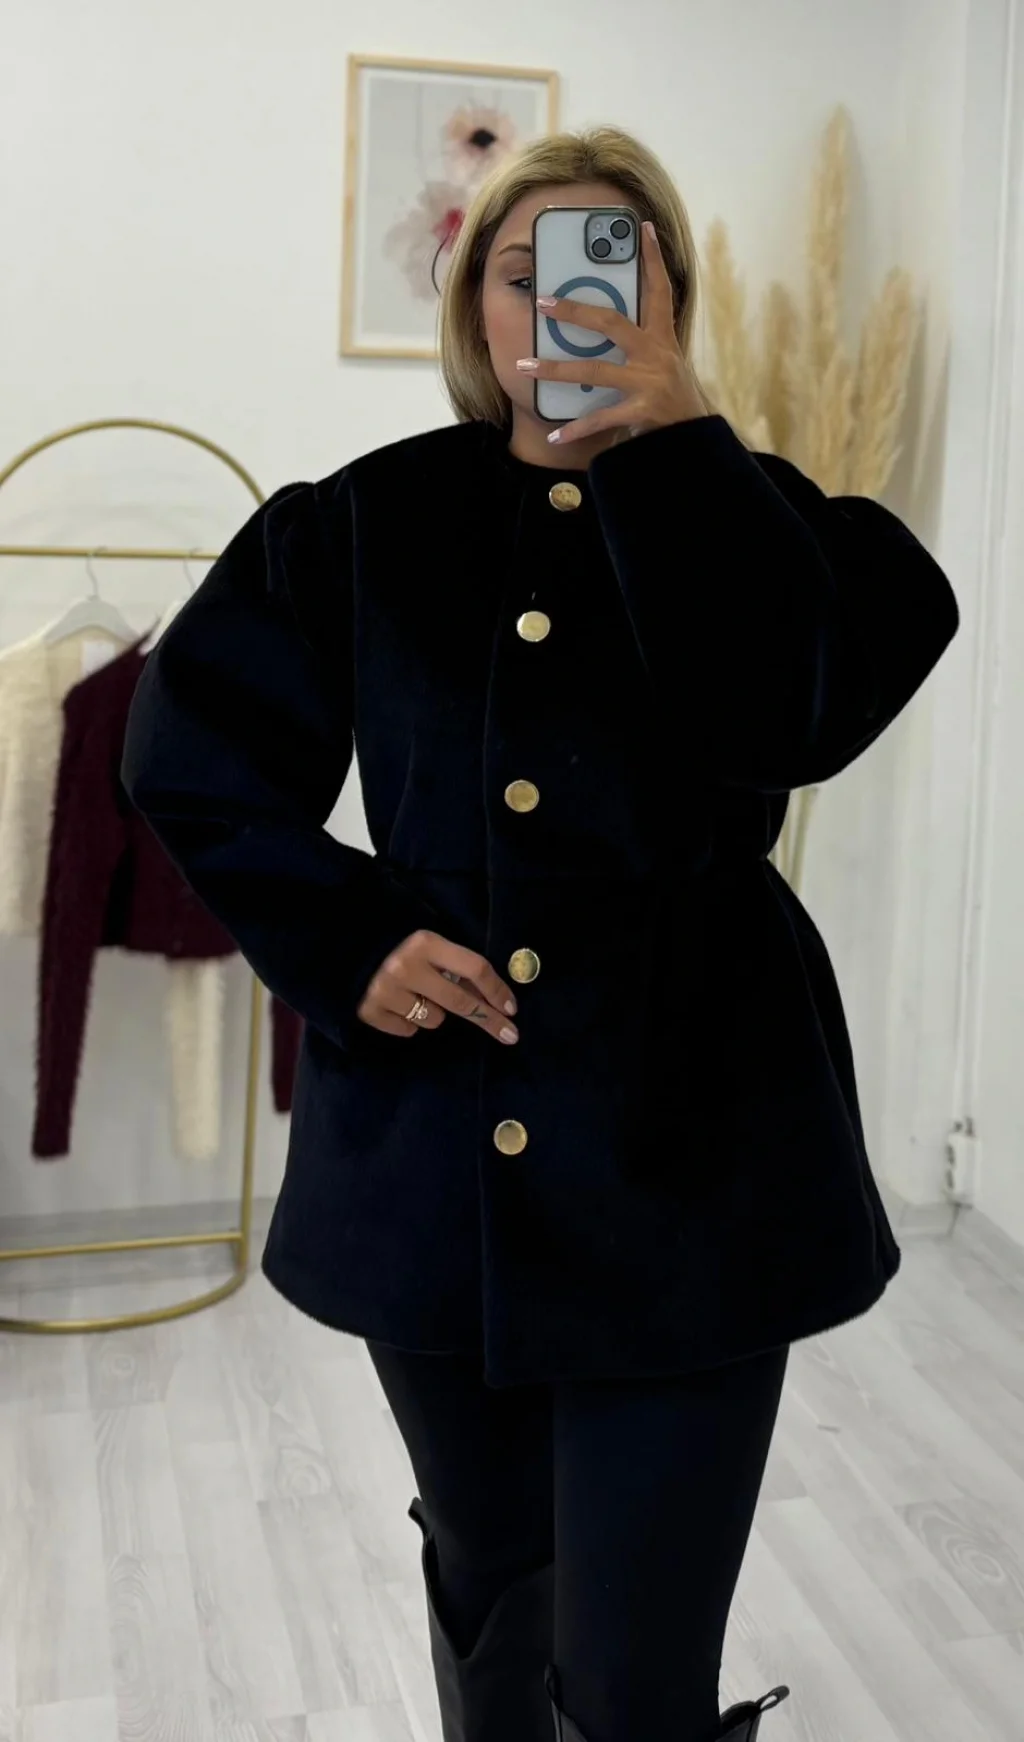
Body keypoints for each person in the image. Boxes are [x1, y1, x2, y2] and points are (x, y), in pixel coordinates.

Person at [122, 126, 959, 1742]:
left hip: (696, 1150)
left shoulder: (767, 525)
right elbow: (188, 752)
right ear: (474, 307)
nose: (567, 304)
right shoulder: (364, 523)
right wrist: (348, 935)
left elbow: (792, 715)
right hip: (440, 1149)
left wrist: (685, 452)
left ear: (671, 303)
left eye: (616, 270)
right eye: (527, 272)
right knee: (490, 1575)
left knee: (637, 1666)